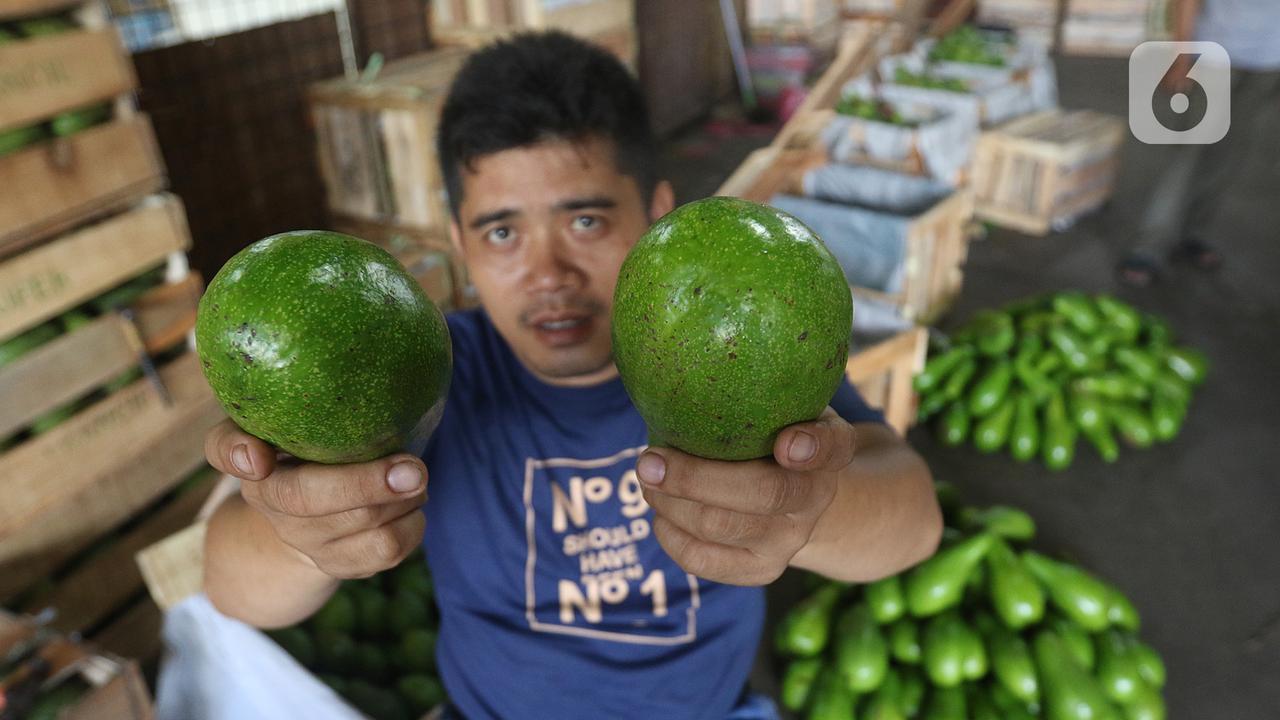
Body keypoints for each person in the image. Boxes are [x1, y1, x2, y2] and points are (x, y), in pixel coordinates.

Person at [201, 32, 941, 719]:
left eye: (586, 221)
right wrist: (302, 529)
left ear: (658, 213)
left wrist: (807, 508)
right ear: (460, 244)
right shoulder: (418, 374)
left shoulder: (738, 357)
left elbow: (914, 522)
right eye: (502, 232)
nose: (548, 274)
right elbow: (232, 590)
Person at [1118, 0, 1280, 286]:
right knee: (1191, 153)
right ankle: (1149, 247)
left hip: (1269, 59)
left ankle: (1190, 233)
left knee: (1227, 154)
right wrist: (1181, 56)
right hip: (1216, 53)